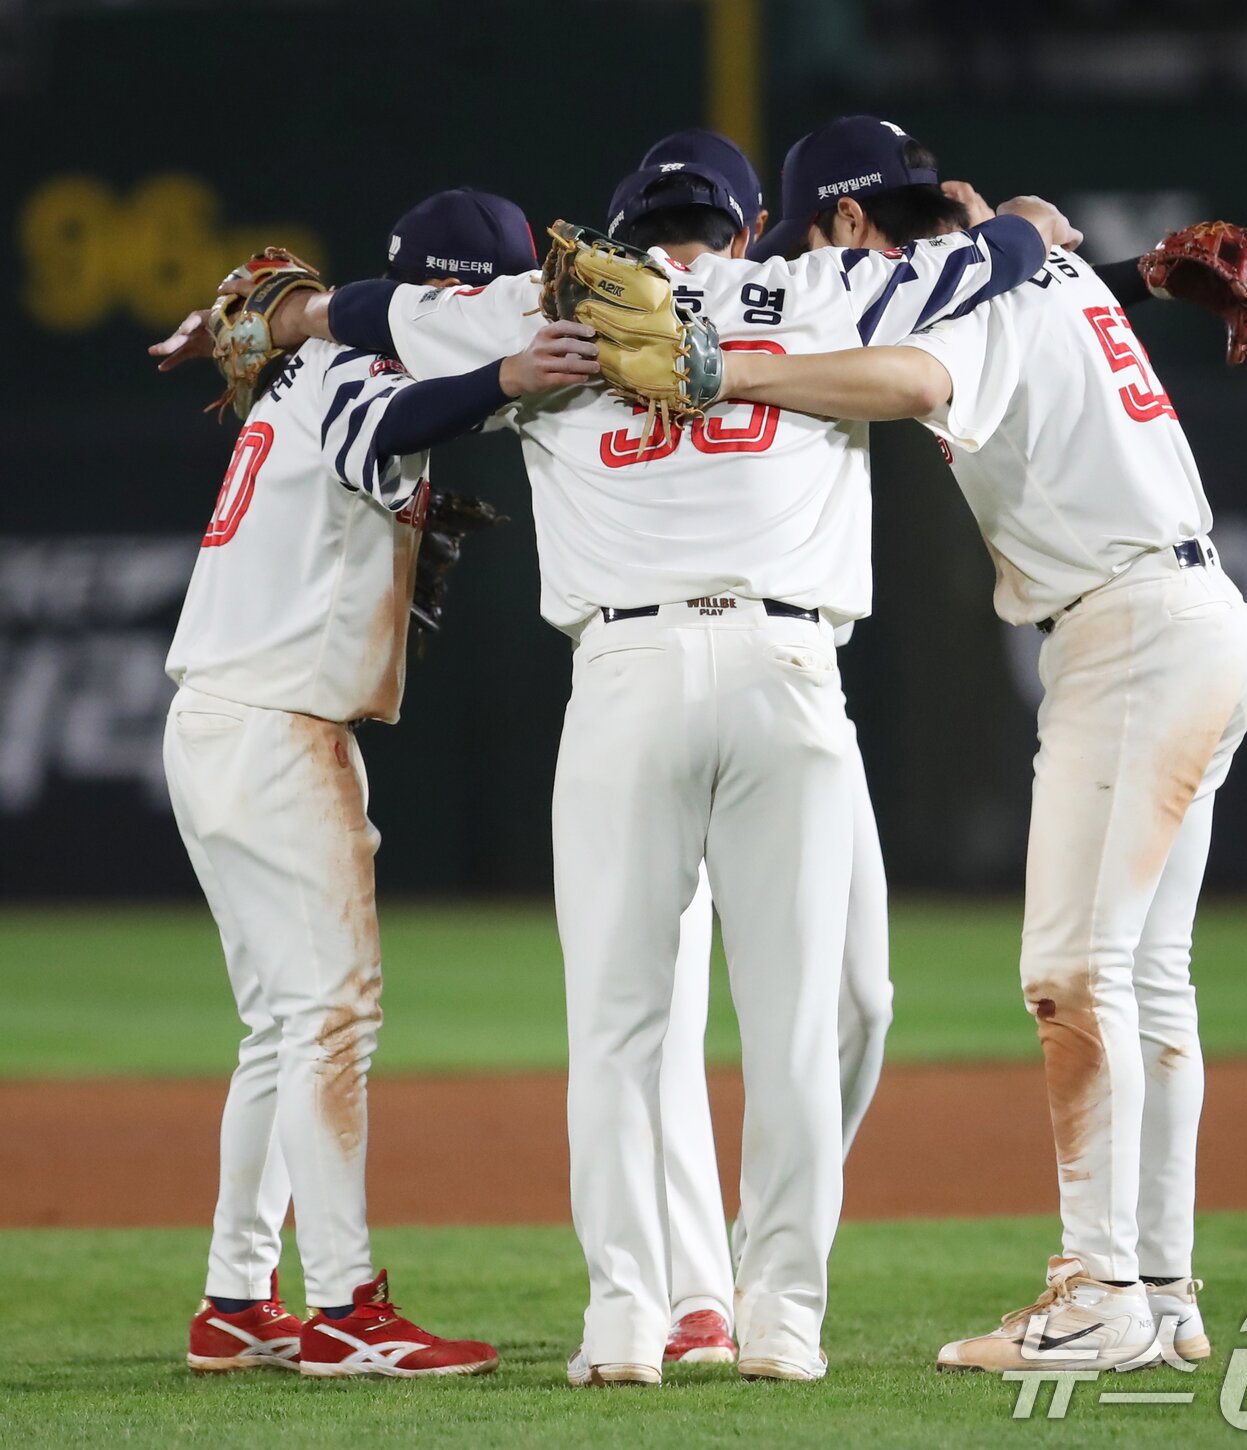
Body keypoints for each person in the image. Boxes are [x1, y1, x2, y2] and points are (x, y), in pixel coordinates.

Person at [209, 166, 1074, 1385]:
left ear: (616, 234)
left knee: (616, 1026)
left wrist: (297, 313)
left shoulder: (545, 308)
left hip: (624, 675)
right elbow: (984, 270)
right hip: (787, 672)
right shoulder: (816, 289)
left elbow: (374, 315)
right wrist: (1026, 228)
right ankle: (780, 1319)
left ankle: (624, 1318)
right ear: (745, 225)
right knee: (792, 1028)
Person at [711, 121, 1247, 1372]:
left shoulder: (974, 289)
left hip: (1130, 632)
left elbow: (913, 381)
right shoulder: (1031, 270)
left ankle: (1100, 1293)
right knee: (1148, 976)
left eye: (817, 238)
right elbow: (1020, 275)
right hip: (1196, 615)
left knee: (1072, 970)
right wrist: (1109, 265)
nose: (817, 266)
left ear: (850, 222)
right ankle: (1159, 1289)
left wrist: (724, 373)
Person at [159, 189, 596, 1378]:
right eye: (494, 296)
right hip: (274, 726)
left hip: (226, 715)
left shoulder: (312, 366)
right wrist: (503, 375)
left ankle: (237, 1297)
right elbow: (400, 409)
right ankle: (346, 1308)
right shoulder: (360, 364)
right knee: (332, 1018)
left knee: (280, 1025)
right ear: (453, 294)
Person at [629, 129, 892, 1370]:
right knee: (663, 1003)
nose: (674, 245)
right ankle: (699, 1289)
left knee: (855, 1001)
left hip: (793, 670)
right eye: (656, 229)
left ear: (746, 233)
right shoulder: (599, 316)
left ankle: (766, 1241)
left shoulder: (810, 299)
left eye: (690, 224)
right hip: (649, 663)